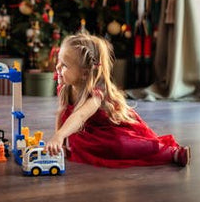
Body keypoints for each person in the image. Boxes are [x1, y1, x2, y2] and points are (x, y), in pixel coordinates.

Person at [44, 33, 190, 168]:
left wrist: (60, 135)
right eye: (59, 61)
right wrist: (60, 140)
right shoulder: (65, 87)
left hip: (110, 130)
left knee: (120, 146)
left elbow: (80, 116)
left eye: (64, 65)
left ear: (84, 73)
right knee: (87, 147)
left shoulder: (95, 95)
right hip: (88, 134)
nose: (57, 67)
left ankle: (171, 152)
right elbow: (61, 113)